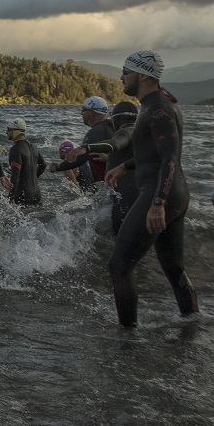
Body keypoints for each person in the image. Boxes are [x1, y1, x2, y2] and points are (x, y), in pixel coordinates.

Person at [102, 51, 198, 327]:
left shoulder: (157, 109)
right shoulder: (157, 105)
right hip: (174, 192)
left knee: (119, 266)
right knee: (173, 268)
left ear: (143, 75)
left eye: (126, 71)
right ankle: (193, 322)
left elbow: (170, 158)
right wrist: (126, 166)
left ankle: (128, 335)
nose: (121, 77)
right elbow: (155, 154)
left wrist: (158, 202)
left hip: (160, 193)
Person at [69, 101, 139, 234]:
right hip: (142, 192)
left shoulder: (125, 131)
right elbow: (143, 158)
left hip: (126, 195)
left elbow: (115, 143)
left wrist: (87, 148)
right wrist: (110, 159)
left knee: (121, 241)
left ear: (117, 118)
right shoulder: (142, 132)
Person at [48, 96, 114, 191]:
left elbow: (80, 158)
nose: (81, 113)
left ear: (91, 113)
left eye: (83, 110)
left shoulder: (96, 132)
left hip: (109, 185)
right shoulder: (112, 126)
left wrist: (57, 167)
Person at [5, 118, 45, 206]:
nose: (6, 132)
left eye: (8, 129)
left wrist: (10, 197)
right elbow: (43, 165)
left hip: (23, 195)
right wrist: (32, 178)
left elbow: (15, 175)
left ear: (15, 131)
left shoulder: (15, 149)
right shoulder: (33, 146)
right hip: (36, 194)